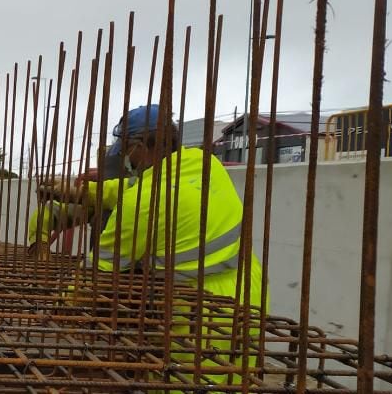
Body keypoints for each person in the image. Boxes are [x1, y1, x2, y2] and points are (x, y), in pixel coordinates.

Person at [33, 104, 265, 382]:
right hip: (247, 292)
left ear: (140, 146)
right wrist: (85, 192)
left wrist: (60, 307)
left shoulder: (142, 203)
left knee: (183, 382)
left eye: (127, 149)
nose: (126, 159)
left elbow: (98, 273)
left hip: (200, 310)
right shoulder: (206, 166)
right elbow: (134, 187)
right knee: (239, 379)